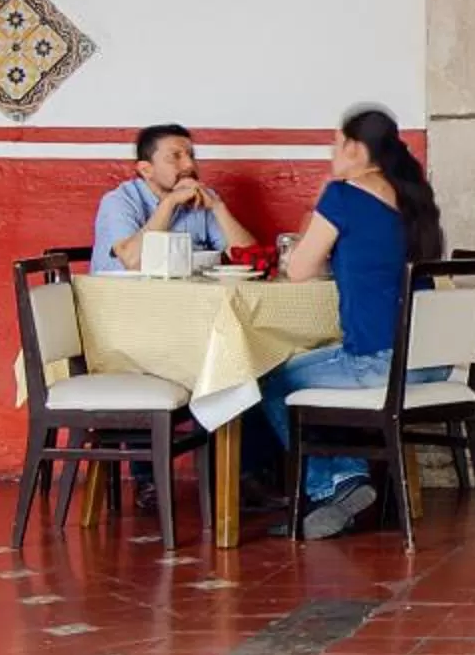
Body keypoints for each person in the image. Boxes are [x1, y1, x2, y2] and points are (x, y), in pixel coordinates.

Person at [256, 106, 447, 539]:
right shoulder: (412, 197)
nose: (331, 152)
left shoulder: (343, 197)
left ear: (357, 150)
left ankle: (338, 481)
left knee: (268, 379)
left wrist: (321, 201)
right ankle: (344, 481)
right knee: (312, 370)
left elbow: (298, 269)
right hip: (432, 360)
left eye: (336, 143)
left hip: (380, 362)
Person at [90, 123, 251, 274]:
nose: (189, 165)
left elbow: (250, 259)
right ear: (146, 170)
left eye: (191, 156)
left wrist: (218, 207)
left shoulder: (203, 197)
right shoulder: (119, 201)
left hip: (188, 291)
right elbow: (133, 262)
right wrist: (169, 203)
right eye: (175, 156)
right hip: (125, 293)